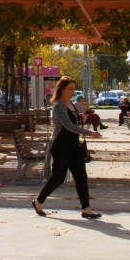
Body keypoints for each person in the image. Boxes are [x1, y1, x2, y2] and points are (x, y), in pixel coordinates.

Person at [32, 76, 103, 220]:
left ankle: (86, 209)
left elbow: (74, 121)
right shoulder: (58, 106)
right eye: (69, 89)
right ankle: (39, 201)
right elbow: (68, 126)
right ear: (62, 89)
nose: (72, 92)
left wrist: (82, 118)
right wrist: (90, 133)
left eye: (73, 89)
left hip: (74, 146)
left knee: (81, 177)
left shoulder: (71, 103)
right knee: (58, 177)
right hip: (61, 146)